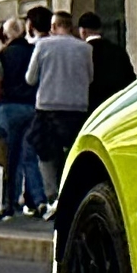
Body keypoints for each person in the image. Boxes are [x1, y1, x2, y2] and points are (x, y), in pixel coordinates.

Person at [26, 11, 93, 207]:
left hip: (47, 106)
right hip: (77, 106)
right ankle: (72, 191)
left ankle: (52, 195)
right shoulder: (85, 48)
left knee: (45, 151)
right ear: (70, 26)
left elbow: (30, 78)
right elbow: (90, 77)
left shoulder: (43, 45)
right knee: (72, 150)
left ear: (53, 27)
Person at [0, 7, 48, 219]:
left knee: (10, 159)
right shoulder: (35, 52)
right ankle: (40, 200)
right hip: (33, 107)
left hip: (9, 108)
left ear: (5, 35)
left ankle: (9, 204)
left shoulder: (2, 56)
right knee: (30, 157)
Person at [79, 12, 137, 110]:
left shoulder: (82, 53)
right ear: (100, 29)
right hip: (117, 104)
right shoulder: (117, 50)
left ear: (83, 31)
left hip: (92, 106)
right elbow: (130, 78)